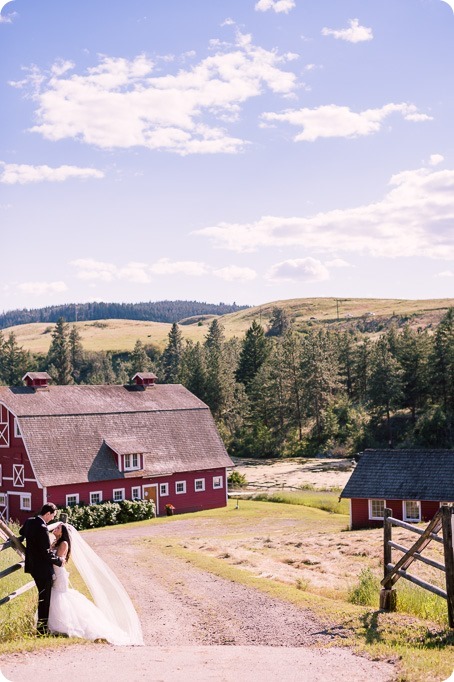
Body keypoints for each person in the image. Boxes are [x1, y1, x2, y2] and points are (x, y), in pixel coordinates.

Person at [47, 522, 143, 645]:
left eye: (58, 527)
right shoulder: (55, 542)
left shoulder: (63, 543)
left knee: (59, 596)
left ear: (63, 532)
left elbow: (57, 561)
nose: (55, 528)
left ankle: (64, 626)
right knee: (57, 596)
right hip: (55, 573)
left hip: (59, 574)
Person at [19, 503, 65, 635]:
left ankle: (42, 628)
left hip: (33, 567)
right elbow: (46, 552)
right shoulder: (42, 528)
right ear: (47, 514)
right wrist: (58, 561)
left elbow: (21, 532)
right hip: (43, 570)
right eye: (52, 516)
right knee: (44, 600)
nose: (52, 519)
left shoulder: (29, 522)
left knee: (42, 598)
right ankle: (42, 630)